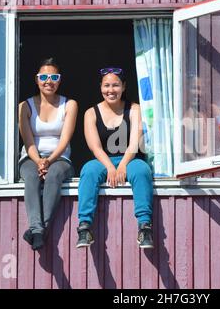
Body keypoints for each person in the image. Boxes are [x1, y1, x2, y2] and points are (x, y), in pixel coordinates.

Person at [76, 67, 154, 249]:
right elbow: (95, 147)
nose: (111, 90)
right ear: (100, 87)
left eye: (116, 85)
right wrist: (111, 167)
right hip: (103, 160)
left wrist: (123, 166)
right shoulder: (90, 113)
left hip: (130, 158)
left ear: (124, 86)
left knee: (142, 170)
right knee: (88, 171)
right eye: (106, 85)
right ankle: (85, 226)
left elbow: (134, 144)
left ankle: (145, 226)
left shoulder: (135, 109)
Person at [18, 58, 78, 250]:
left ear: (59, 80)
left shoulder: (69, 104)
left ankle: (37, 230)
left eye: (54, 77)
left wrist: (49, 161)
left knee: (54, 175)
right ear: (36, 80)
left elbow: (65, 140)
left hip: (60, 157)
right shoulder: (24, 106)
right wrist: (38, 162)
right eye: (43, 77)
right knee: (30, 176)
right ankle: (39, 230)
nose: (48, 81)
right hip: (31, 156)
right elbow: (28, 141)